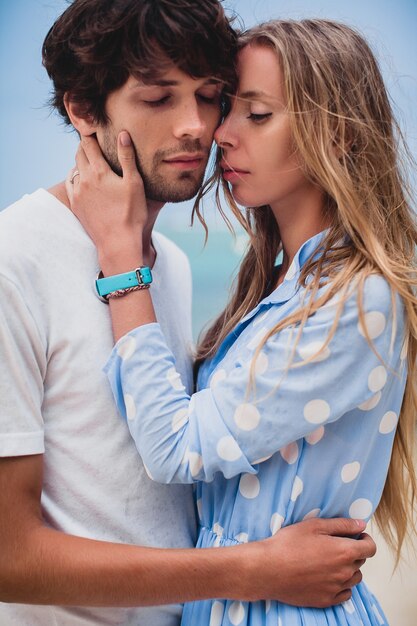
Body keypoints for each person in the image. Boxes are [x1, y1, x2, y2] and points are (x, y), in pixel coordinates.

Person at [0, 3, 376, 625]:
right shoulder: (15, 258)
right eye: (157, 100)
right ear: (84, 110)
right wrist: (255, 568)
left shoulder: (166, 266)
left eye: (211, 97)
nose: (196, 126)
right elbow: (9, 555)